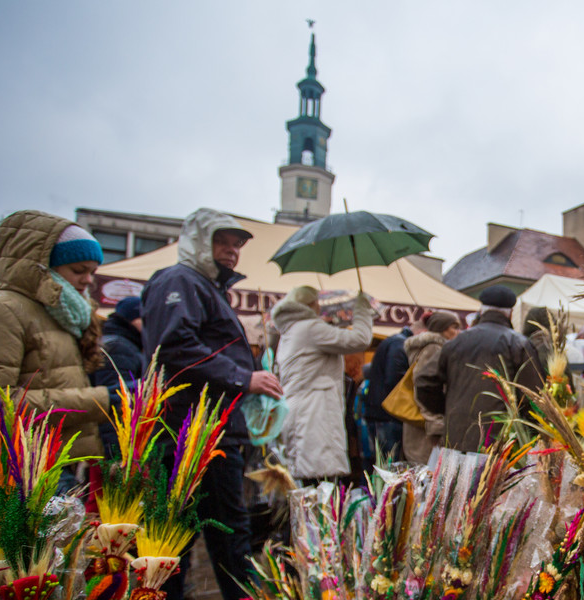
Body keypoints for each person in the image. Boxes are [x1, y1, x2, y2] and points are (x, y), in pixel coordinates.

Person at [140, 208, 282, 600]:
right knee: (214, 533)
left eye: (237, 245)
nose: (232, 251)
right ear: (199, 240)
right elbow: (174, 346)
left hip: (206, 428)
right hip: (194, 430)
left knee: (190, 533)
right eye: (223, 241)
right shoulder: (181, 281)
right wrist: (244, 377)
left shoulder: (202, 286)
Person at [0, 211, 112, 485]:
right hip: (16, 469)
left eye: (92, 272)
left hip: (57, 460)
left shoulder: (60, 316)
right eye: (78, 270)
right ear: (41, 265)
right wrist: (99, 400)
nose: (88, 281)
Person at [419, 285, 543, 452]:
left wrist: (448, 409)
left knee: (457, 479)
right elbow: (533, 397)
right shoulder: (518, 343)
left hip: (456, 439)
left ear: (481, 310)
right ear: (511, 313)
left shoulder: (455, 342)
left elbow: (424, 381)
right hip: (499, 442)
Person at [271, 285, 373, 483]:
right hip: (315, 415)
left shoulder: (290, 331)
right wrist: (362, 309)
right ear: (310, 305)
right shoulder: (310, 328)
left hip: (301, 414)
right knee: (322, 486)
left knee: (309, 484)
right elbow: (360, 339)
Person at [403, 311, 461, 464]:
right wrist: (436, 424)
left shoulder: (426, 346)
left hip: (420, 420)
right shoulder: (434, 348)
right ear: (441, 328)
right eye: (453, 327)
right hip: (426, 425)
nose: (457, 332)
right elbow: (422, 384)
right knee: (426, 471)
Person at [90, 296, 145, 459]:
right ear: (133, 319)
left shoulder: (122, 342)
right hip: (117, 442)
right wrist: (117, 453)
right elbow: (114, 402)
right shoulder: (118, 347)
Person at [362, 320, 422, 463]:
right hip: (387, 415)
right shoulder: (399, 344)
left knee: (381, 462)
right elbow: (393, 380)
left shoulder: (394, 341)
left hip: (381, 413)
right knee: (388, 463)